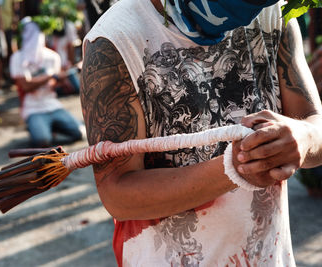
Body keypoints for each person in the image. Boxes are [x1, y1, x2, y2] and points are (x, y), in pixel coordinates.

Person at [80, 0, 322, 266]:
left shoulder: (273, 11)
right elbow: (117, 194)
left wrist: (303, 137)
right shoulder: (115, 39)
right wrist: (234, 168)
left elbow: (315, 124)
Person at [10, 18, 83, 148]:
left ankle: (49, 127)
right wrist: (51, 76)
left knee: (79, 134)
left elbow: (55, 84)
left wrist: (62, 80)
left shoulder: (52, 56)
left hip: (52, 105)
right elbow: (26, 86)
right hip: (33, 108)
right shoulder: (17, 58)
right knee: (42, 141)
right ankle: (39, 128)